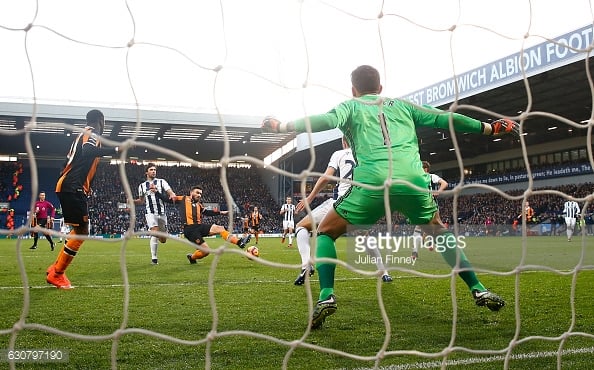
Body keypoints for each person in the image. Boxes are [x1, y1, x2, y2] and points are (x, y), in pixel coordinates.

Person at [262, 65, 516, 328]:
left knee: (326, 232)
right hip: (412, 180)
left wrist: (282, 125)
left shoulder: (350, 106)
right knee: (439, 232)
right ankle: (477, 287)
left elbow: (325, 121)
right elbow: (445, 119)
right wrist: (490, 128)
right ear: (380, 87)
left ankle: (326, 295)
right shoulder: (405, 106)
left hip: (372, 183)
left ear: (353, 90)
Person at [294, 137, 392, 286]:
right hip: (361, 206)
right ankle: (384, 272)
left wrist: (310, 197)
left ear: (344, 142)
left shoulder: (339, 153)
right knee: (365, 237)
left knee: (301, 227)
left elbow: (326, 177)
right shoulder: (368, 154)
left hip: (341, 202)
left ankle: (306, 265)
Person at [46, 109, 120, 289]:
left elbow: (67, 163)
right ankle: (57, 273)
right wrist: (116, 149)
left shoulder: (82, 134)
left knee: (78, 230)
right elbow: (88, 152)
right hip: (72, 187)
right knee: (82, 231)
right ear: (101, 120)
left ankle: (55, 267)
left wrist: (85, 184)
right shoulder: (92, 133)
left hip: (70, 186)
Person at [158, 185, 251, 264]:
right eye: (197, 192)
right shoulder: (183, 198)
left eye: (200, 194)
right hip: (189, 229)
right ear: (191, 192)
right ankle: (192, 258)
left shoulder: (199, 204)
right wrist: (156, 192)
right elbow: (167, 199)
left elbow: (207, 212)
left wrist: (221, 212)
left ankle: (239, 242)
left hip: (199, 226)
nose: (199, 195)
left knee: (220, 228)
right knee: (206, 251)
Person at [133, 163, 176, 265]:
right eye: (151, 169)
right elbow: (141, 201)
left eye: (154, 170)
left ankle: (155, 233)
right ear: (146, 172)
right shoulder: (142, 186)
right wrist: (132, 201)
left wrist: (172, 194)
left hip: (162, 213)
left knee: (163, 239)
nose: (153, 171)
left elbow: (170, 191)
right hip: (150, 213)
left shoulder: (161, 182)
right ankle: (154, 259)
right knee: (155, 232)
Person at [411, 161, 448, 259]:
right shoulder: (417, 179)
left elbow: (444, 183)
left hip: (431, 206)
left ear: (426, 169)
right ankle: (416, 251)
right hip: (422, 207)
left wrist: (438, 191)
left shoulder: (431, 177)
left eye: (422, 168)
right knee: (421, 229)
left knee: (435, 229)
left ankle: (434, 245)